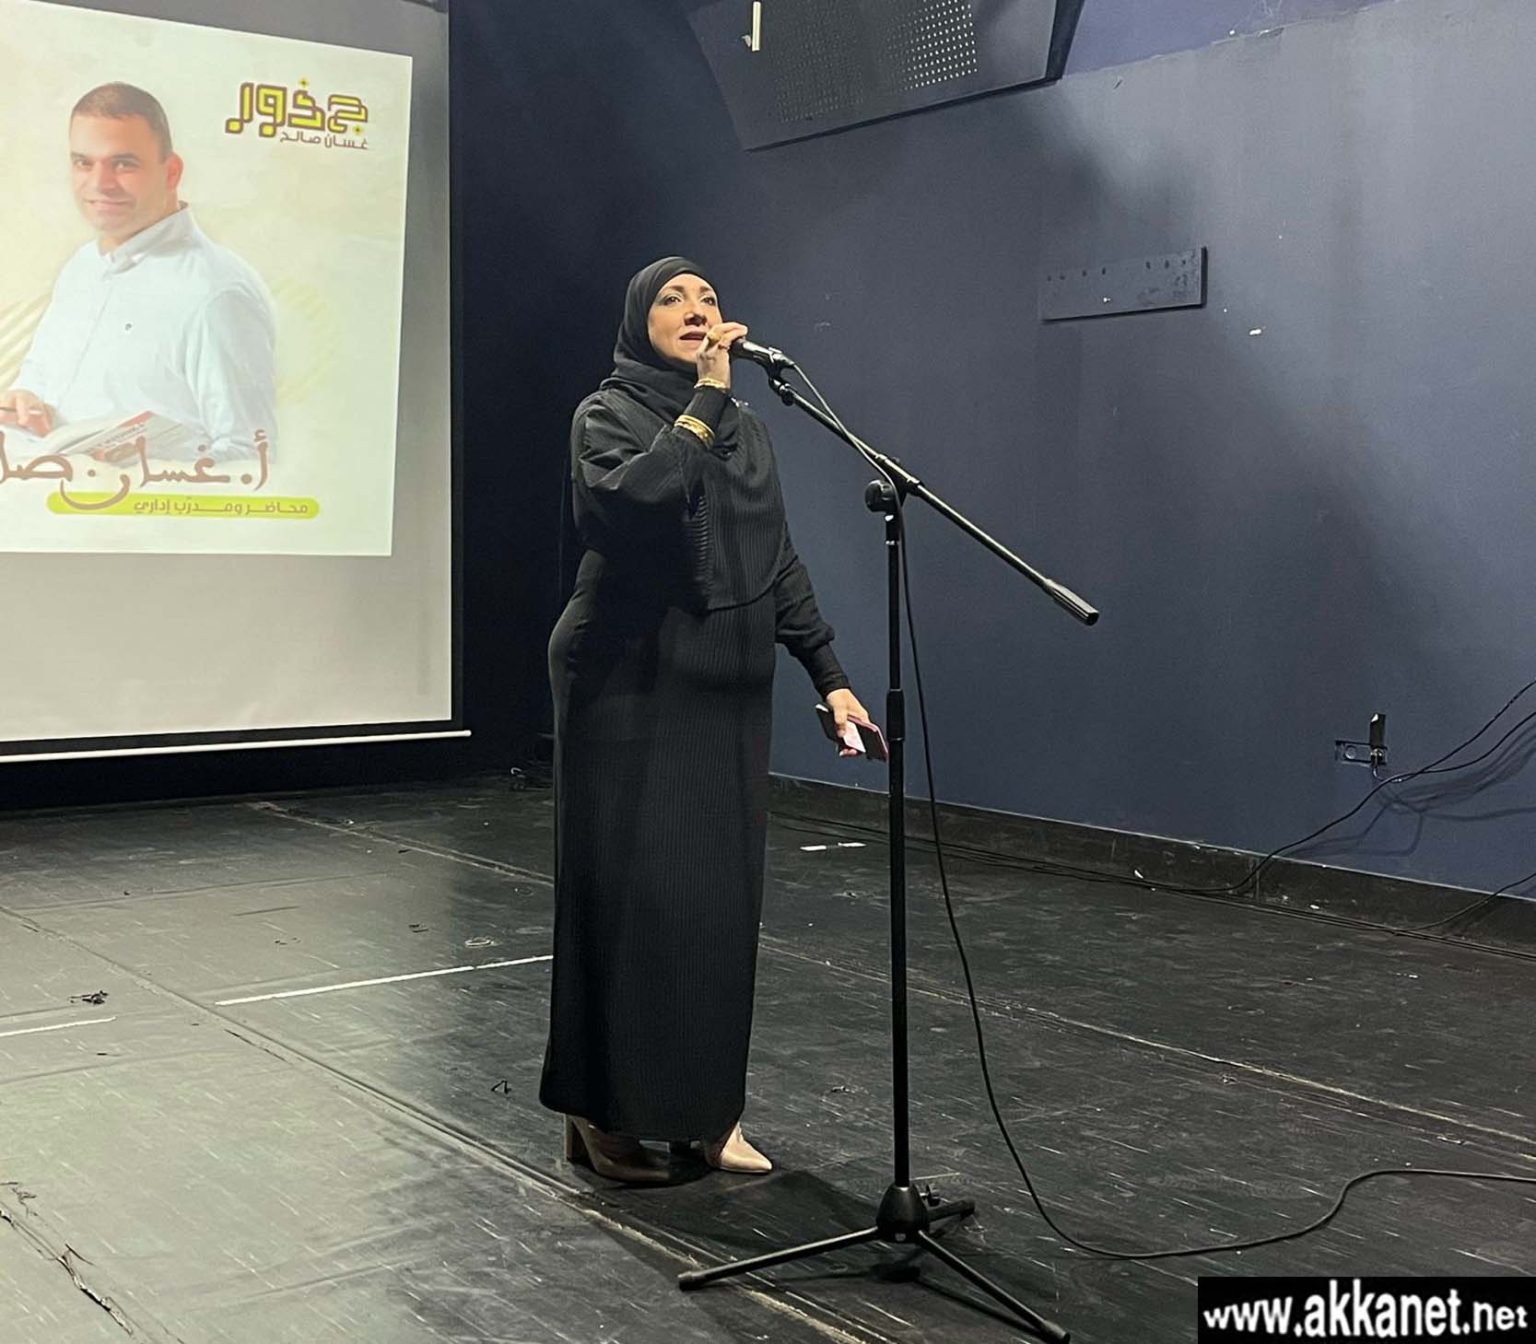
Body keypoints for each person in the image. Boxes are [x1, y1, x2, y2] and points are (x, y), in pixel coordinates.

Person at [540, 257, 870, 1182]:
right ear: (638, 321)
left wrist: (832, 675)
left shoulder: (749, 429)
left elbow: (775, 556)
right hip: (626, 673)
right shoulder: (606, 414)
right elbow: (633, 503)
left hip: (724, 680)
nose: (696, 309)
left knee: (717, 904)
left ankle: (705, 1110)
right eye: (672, 299)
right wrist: (706, 403)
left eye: (709, 298)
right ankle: (600, 1112)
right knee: (629, 898)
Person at [0, 83, 276, 462]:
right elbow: (38, 382)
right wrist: (25, 400)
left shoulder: (216, 292)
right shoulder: (82, 266)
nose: (99, 184)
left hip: (125, 499)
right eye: (83, 163)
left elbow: (251, 457)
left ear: (172, 172)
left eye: (123, 164)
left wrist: (133, 474)